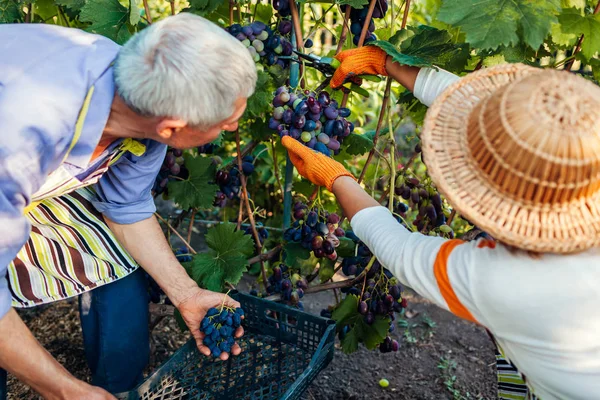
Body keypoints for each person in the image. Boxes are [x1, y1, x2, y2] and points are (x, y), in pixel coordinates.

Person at [282, 46, 600, 400]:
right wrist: (387, 63)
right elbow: (488, 116)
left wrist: (335, 177)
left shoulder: (502, 280)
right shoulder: (585, 152)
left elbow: (399, 249)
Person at [0, 13, 256, 399]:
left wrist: (186, 294)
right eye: (227, 122)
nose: (233, 128)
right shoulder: (24, 132)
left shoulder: (140, 98)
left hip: (26, 185)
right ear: (173, 126)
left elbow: (126, 204)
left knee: (111, 253)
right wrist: (63, 390)